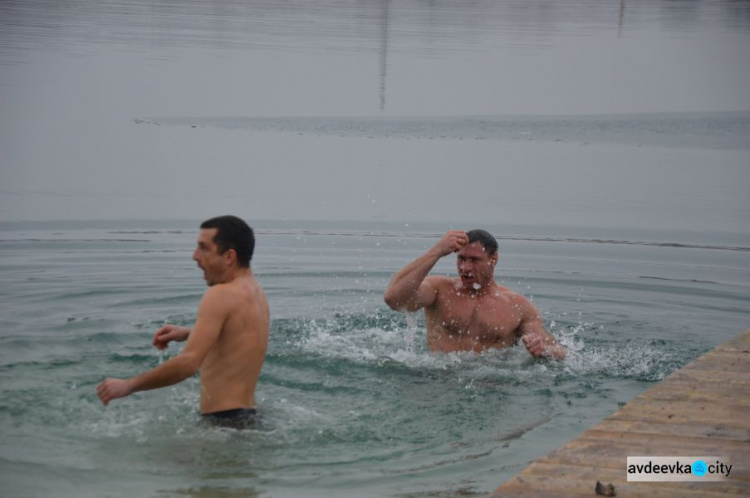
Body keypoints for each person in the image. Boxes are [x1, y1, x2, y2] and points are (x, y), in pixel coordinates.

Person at [97, 215, 270, 428]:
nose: (195, 256)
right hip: (250, 417)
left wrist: (128, 385)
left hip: (222, 424)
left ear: (228, 257)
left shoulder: (220, 294)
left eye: (204, 248)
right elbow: (239, 334)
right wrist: (191, 332)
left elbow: (188, 363)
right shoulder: (255, 291)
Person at [384, 229, 565, 359]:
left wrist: (543, 350)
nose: (465, 268)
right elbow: (393, 299)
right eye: (461, 258)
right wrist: (437, 251)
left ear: (493, 259)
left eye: (474, 260)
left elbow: (559, 351)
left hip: (488, 385)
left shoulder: (517, 306)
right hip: (438, 379)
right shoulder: (439, 289)